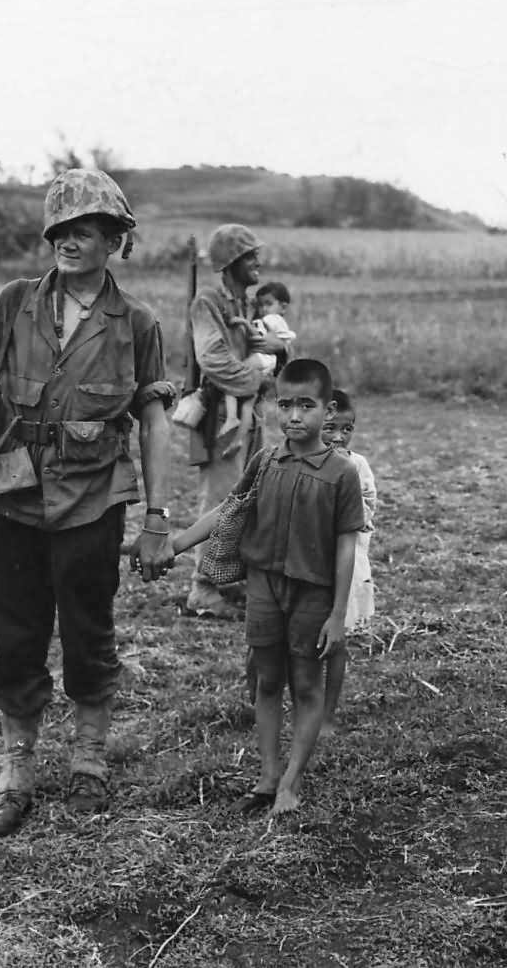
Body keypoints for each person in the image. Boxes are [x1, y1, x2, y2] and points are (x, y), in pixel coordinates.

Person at [0, 169, 176, 836]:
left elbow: (156, 423)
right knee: (15, 635)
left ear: (114, 241)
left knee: (87, 631)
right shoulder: (15, 301)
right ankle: (16, 771)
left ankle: (89, 763)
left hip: (94, 500)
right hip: (16, 495)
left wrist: (157, 518)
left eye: (85, 231)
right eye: (60, 230)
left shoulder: (136, 323)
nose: (68, 242)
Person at [170, 359, 364, 816]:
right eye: (285, 405)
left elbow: (345, 549)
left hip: (312, 594)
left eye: (306, 405)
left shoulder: (343, 474)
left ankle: (291, 783)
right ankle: (268, 776)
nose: (294, 416)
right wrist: (177, 544)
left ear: (327, 409)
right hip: (263, 587)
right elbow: (229, 509)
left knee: (306, 684)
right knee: (267, 680)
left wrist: (338, 615)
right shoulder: (265, 461)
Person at [184, 224, 287, 618]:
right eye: (248, 256)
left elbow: (260, 347)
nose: (257, 262)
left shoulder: (245, 305)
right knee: (220, 501)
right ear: (229, 263)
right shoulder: (207, 303)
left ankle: (228, 578)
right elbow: (213, 361)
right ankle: (203, 589)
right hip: (221, 417)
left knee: (248, 498)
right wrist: (259, 378)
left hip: (249, 414)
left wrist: (273, 355)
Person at [320, 389, 378, 733]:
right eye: (330, 429)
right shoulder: (297, 464)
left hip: (346, 567)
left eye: (347, 429)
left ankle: (328, 714)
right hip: (307, 566)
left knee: (336, 642)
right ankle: (307, 707)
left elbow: (366, 511)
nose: (339, 437)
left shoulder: (357, 466)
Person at [218, 281, 298, 454]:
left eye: (268, 304)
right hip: (268, 365)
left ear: (283, 307)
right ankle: (238, 438)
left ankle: (231, 418)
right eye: (261, 305)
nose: (264, 309)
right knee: (248, 401)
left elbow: (258, 338)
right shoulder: (278, 322)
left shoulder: (271, 320)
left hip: (262, 359)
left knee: (231, 374)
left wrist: (242, 323)